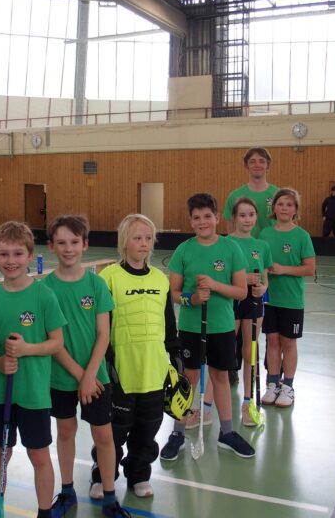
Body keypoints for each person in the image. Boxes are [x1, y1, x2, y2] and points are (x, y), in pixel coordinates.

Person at [43, 215, 128, 518]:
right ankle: (67, 492)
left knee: (104, 436)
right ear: (51, 246)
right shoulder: (46, 289)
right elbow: (53, 342)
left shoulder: (96, 283)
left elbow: (104, 333)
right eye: (62, 243)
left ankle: (109, 497)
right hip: (61, 376)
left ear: (85, 244)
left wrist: (90, 375)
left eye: (75, 242)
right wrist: (80, 376)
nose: (69, 249)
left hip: (97, 377)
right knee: (65, 431)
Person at [89, 214, 179, 499]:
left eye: (148, 238)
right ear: (124, 242)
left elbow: (168, 322)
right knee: (114, 433)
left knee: (147, 430)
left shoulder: (159, 280)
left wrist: (175, 355)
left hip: (153, 369)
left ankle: (139, 474)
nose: (143, 244)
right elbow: (100, 327)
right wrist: (105, 365)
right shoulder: (108, 278)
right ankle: (102, 475)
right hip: (120, 372)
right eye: (137, 238)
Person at [159, 193, 254, 461]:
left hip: (221, 326)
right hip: (190, 327)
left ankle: (227, 433)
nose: (203, 222)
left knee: (220, 377)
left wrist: (214, 285)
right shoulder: (184, 250)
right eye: (197, 218)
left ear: (216, 217)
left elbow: (240, 292)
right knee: (189, 379)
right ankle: (177, 433)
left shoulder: (230, 248)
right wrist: (192, 298)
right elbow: (173, 292)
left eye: (207, 217)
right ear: (191, 221)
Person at [0, 221, 66, 518]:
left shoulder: (43, 296)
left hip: (33, 395)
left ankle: (45, 512)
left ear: (30, 256)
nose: (11, 261)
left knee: (39, 456)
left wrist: (27, 349)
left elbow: (56, 343)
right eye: (4, 254)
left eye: (18, 254)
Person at [259, 188, 316, 408]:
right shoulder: (265, 234)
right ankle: (273, 384)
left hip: (291, 299)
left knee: (288, 342)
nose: (284, 208)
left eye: (289, 205)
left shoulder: (302, 236)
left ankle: (288, 387)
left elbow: (310, 268)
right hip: (269, 298)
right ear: (274, 207)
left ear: (296, 210)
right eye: (281, 204)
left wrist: (283, 269)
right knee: (272, 341)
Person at [226, 197, 272, 425]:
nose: (247, 219)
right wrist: (243, 278)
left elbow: (265, 279)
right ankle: (209, 405)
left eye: (251, 215)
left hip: (254, 303)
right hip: (231, 302)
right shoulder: (225, 244)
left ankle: (247, 403)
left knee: (249, 352)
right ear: (234, 218)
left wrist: (262, 287)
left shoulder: (262, 245)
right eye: (242, 215)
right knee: (224, 351)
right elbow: (221, 276)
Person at [223, 147, 279, 238]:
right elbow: (231, 229)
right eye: (252, 161)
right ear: (246, 166)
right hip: (245, 249)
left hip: (272, 247)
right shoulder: (234, 196)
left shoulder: (278, 194)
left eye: (262, 161)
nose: (257, 165)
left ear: (268, 166)